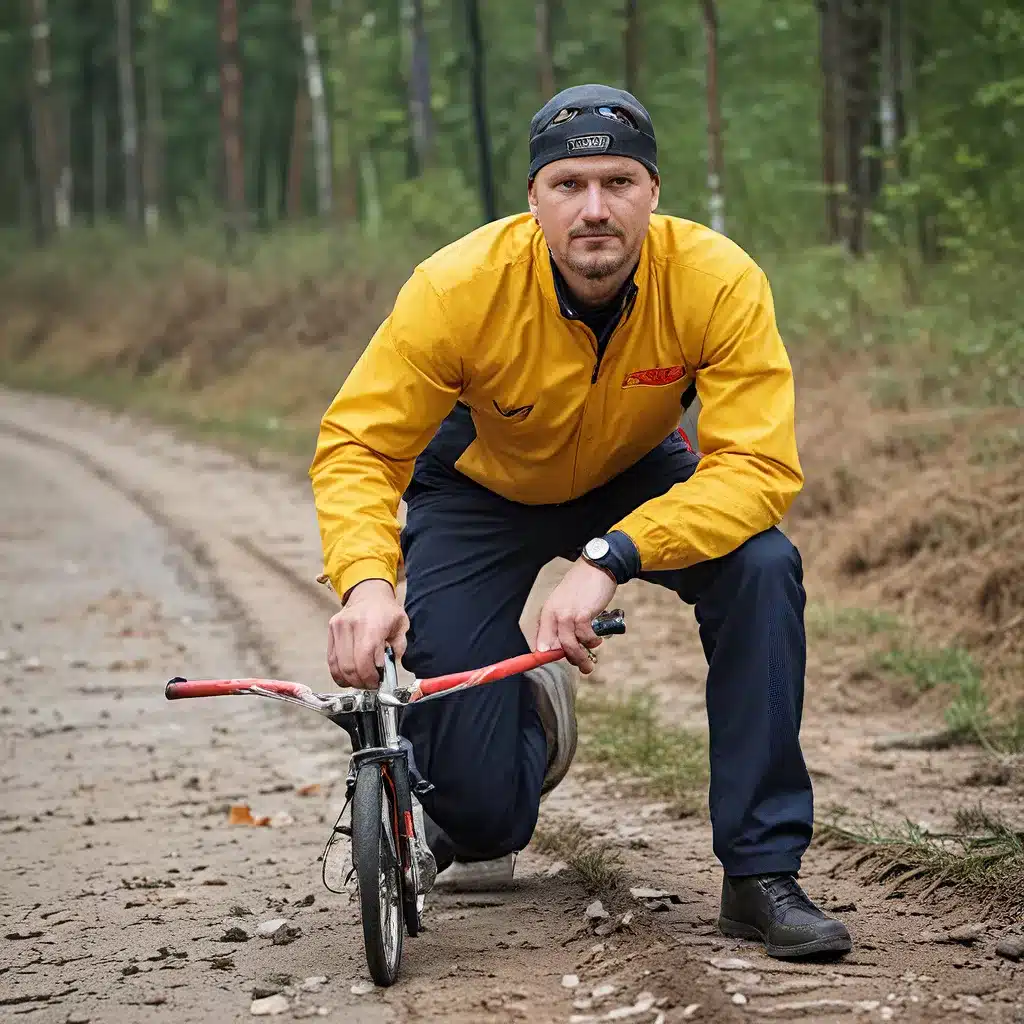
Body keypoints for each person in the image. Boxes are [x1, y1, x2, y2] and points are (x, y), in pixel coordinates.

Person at [309, 84, 852, 959]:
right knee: (483, 822)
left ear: (653, 191)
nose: (594, 209)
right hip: (480, 484)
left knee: (762, 566)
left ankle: (760, 873)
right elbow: (361, 449)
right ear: (533, 199)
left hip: (636, 475)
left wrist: (613, 554)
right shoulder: (456, 288)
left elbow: (757, 464)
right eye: (568, 184)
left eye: (618, 182)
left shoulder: (717, 280)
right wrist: (369, 585)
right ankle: (522, 711)